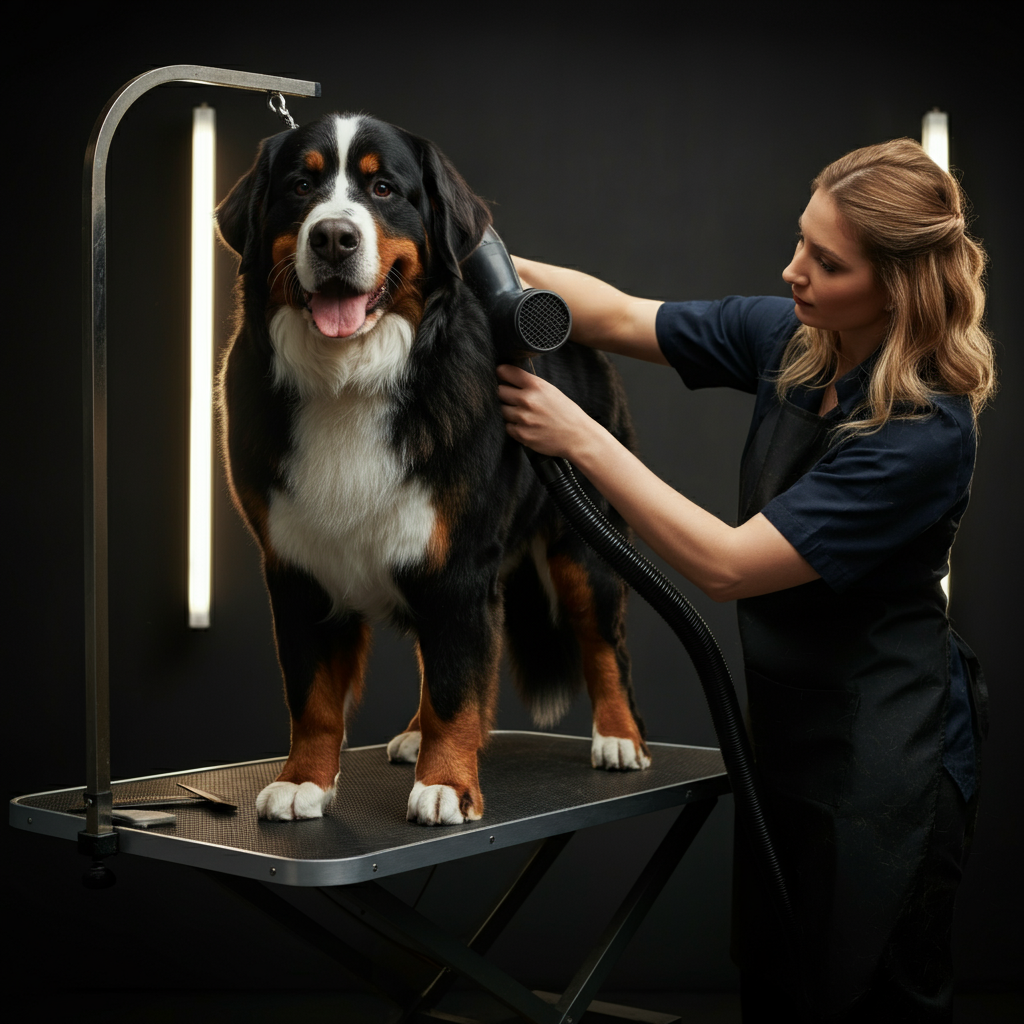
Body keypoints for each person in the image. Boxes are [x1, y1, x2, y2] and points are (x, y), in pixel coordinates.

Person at [497, 139, 995, 1022]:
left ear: (898, 288)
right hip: (790, 735)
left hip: (889, 753)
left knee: (868, 996)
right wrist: (478, 256)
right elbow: (614, 315)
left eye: (826, 261)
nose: (792, 270)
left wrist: (579, 437)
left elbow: (727, 568)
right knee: (779, 982)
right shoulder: (798, 341)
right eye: (800, 241)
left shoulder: (921, 436)